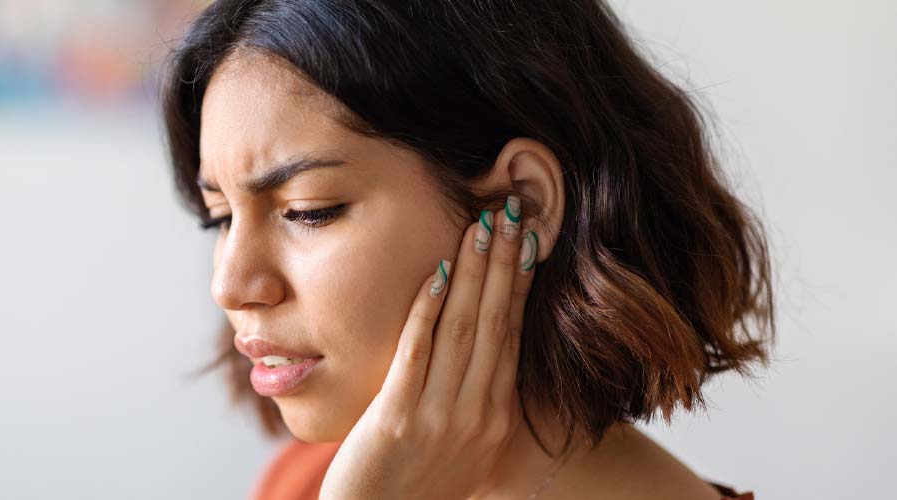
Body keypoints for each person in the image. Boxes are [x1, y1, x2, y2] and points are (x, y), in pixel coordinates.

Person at [160, 1, 774, 498]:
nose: (230, 285)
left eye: (307, 211)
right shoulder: (309, 479)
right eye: (219, 217)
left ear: (522, 206)